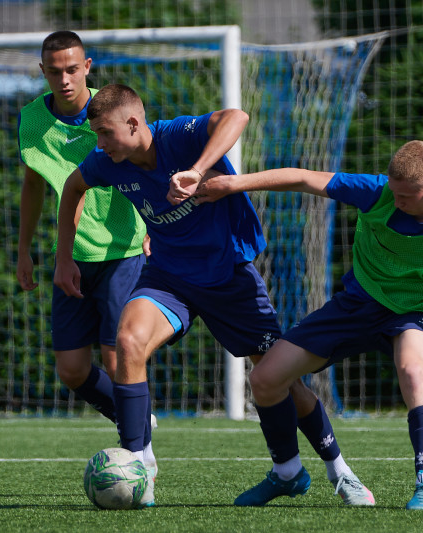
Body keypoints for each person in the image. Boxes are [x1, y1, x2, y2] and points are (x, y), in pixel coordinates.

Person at [172, 139, 423, 510]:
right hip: (358, 303)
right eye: (393, 192)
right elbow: (304, 178)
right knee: (265, 378)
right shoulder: (377, 191)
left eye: (405, 197)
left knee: (414, 371)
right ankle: (287, 472)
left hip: (414, 311)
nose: (395, 202)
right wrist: (234, 184)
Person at [54, 84, 373, 509]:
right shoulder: (106, 162)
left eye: (106, 133)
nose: (100, 144)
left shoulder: (178, 136)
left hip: (228, 278)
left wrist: (198, 169)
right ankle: (140, 467)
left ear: (134, 123)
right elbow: (72, 189)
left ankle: (337, 471)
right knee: (128, 340)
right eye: (96, 135)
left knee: (278, 378)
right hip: (168, 276)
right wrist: (63, 257)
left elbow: (236, 116)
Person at [16, 32, 157, 473]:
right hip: (71, 256)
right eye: (54, 71)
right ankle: (136, 419)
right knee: (72, 370)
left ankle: (139, 458)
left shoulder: (113, 111)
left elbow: (150, 166)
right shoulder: (32, 121)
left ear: (87, 66)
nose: (64, 78)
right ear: (43, 71)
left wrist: (156, 226)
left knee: (120, 357)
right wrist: (23, 249)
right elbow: (34, 185)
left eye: (72, 68)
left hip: (123, 250)